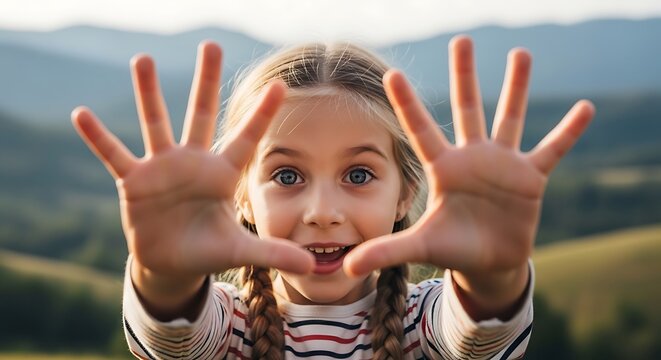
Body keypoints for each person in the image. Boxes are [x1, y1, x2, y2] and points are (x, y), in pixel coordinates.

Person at [71, 35, 594, 359]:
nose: (323, 213)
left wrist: (494, 275)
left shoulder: (422, 326)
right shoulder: (228, 330)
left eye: (360, 175)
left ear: (404, 194)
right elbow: (173, 337)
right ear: (242, 198)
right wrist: (163, 275)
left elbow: (478, 338)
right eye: (287, 176)